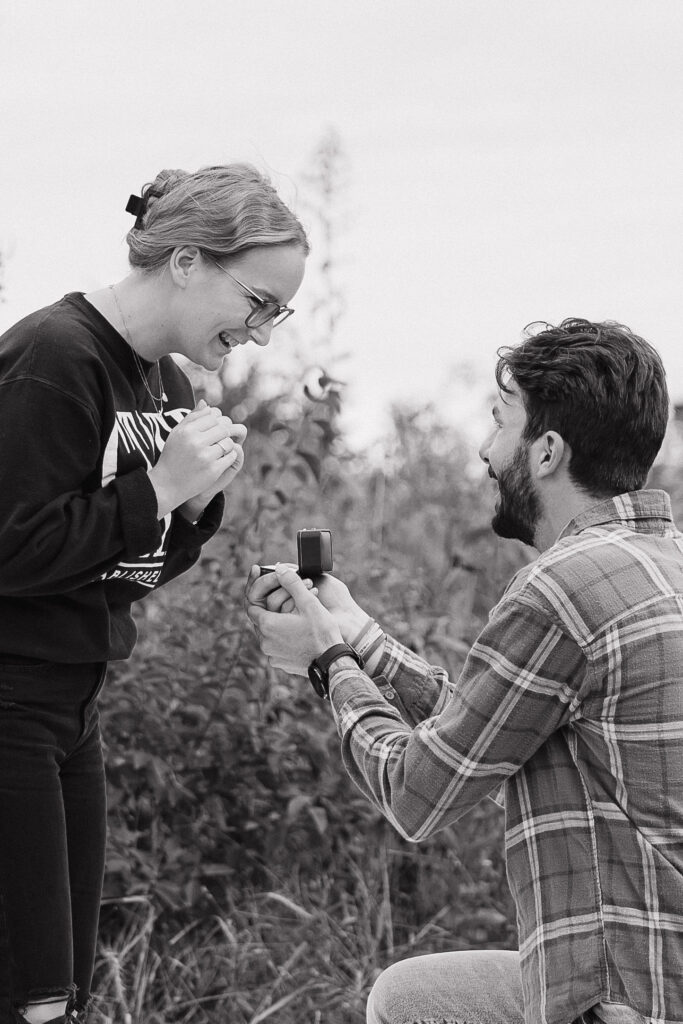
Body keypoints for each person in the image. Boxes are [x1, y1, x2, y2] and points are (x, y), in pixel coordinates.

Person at [246, 318, 683, 1024]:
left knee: (407, 1002)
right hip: (660, 966)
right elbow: (492, 734)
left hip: (622, 994)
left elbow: (418, 794)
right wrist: (362, 637)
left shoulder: (562, 586)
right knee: (412, 994)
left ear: (545, 452)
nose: (483, 450)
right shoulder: (658, 567)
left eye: (497, 422)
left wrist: (327, 663)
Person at [0, 163, 308, 1024]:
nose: (263, 332)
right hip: (10, 704)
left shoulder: (165, 386)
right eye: (258, 303)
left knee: (67, 989)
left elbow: (126, 571)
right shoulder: (52, 357)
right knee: (29, 993)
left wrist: (194, 511)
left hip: (78, 705)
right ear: (185, 263)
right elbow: (12, 550)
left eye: (277, 313)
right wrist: (158, 492)